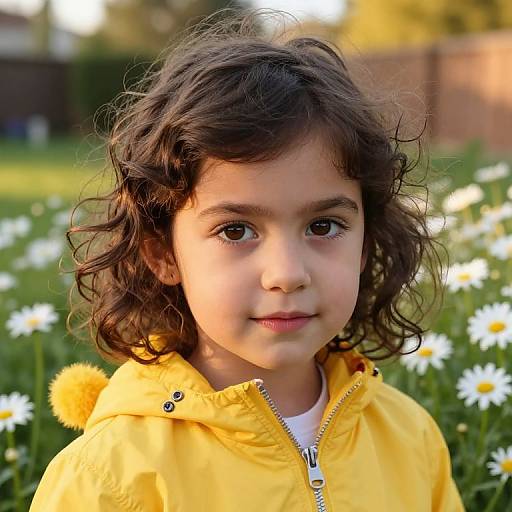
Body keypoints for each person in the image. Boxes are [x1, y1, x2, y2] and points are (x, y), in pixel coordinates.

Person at [30, 8, 465, 512]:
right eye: (236, 230)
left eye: (323, 226)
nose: (286, 273)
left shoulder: (411, 439)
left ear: (365, 242)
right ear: (163, 253)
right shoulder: (111, 476)